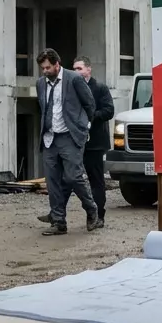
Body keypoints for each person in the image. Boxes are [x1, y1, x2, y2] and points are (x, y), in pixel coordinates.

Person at [36, 48, 99, 236]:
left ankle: (91, 208)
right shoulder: (41, 83)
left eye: (48, 67)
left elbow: (90, 104)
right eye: (42, 68)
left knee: (73, 177)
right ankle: (58, 222)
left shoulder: (74, 79)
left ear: (57, 64)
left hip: (69, 137)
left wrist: (84, 126)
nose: (45, 71)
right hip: (49, 138)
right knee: (52, 182)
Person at [73, 56, 114, 227]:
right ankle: (57, 215)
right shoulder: (71, 88)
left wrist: (90, 117)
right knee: (69, 178)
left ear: (89, 69)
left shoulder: (100, 88)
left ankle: (99, 216)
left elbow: (109, 111)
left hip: (94, 143)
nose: (77, 72)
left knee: (96, 180)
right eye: (74, 69)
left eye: (80, 68)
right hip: (75, 140)